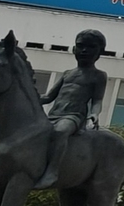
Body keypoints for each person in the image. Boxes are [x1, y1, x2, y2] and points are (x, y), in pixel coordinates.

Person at [34, 30, 110, 190]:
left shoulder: (98, 76)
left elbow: (97, 100)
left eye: (91, 47)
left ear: (100, 52)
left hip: (73, 117)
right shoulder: (67, 74)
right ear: (74, 49)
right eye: (81, 46)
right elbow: (48, 97)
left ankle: (52, 172)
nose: (84, 51)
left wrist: (94, 114)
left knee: (60, 132)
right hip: (53, 115)